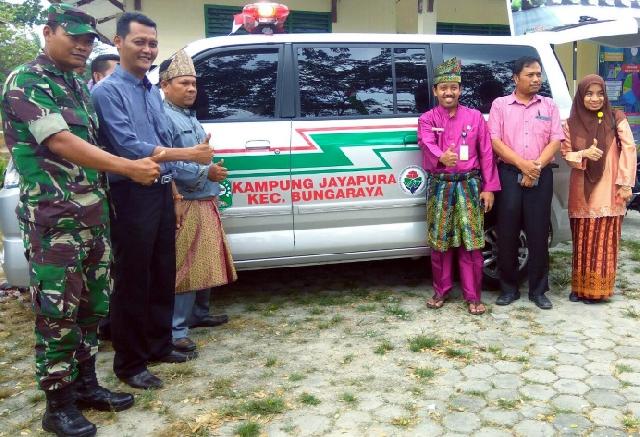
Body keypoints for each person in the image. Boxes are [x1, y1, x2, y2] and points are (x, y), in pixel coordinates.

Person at [0, 4, 162, 436]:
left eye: (89, 40)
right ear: (48, 31)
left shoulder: (74, 84)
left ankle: (87, 385)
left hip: (93, 217)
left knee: (92, 308)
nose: (83, 46)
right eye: (74, 37)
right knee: (58, 315)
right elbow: (61, 141)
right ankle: (58, 405)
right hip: (55, 223)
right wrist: (128, 167)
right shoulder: (27, 81)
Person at [92, 12, 214, 390]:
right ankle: (130, 364)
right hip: (130, 193)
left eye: (152, 43)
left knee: (163, 271)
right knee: (134, 278)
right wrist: (189, 155)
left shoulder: (149, 90)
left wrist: (173, 190)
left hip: (160, 190)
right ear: (118, 42)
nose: (147, 49)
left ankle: (160, 345)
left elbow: (162, 139)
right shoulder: (107, 92)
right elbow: (128, 146)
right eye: (139, 42)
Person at [159, 51, 237, 353]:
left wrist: (209, 170)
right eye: (184, 83)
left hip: (203, 197)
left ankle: (199, 314)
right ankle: (177, 329)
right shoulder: (164, 117)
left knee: (206, 259)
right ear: (165, 85)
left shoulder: (188, 115)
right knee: (187, 266)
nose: (191, 89)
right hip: (186, 200)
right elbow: (168, 163)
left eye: (193, 83)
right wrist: (207, 172)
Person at [418, 58, 500, 315]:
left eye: (453, 87)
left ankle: (473, 296)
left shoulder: (475, 117)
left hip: (469, 185)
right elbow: (425, 142)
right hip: (440, 186)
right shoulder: (427, 119)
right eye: (443, 88)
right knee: (440, 243)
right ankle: (441, 291)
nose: (449, 92)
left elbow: (486, 153)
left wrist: (489, 187)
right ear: (435, 91)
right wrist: (441, 156)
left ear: (460, 90)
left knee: (471, 243)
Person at [488, 56, 564, 310]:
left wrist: (536, 167)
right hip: (509, 174)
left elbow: (556, 140)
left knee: (539, 232)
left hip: (541, 174)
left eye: (538, 75)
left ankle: (539, 290)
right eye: (530, 75)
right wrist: (523, 165)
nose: (536, 79)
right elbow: (495, 141)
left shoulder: (549, 105)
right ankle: (508, 289)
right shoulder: (500, 105)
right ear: (515, 78)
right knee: (507, 232)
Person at [561, 74, 637, 303]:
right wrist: (583, 153)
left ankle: (598, 290)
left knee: (603, 241)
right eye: (589, 94)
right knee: (582, 241)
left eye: (600, 94)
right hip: (581, 192)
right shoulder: (570, 123)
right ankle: (579, 287)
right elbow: (566, 154)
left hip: (610, 190)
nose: (595, 99)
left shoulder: (616, 118)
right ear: (580, 96)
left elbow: (629, 149)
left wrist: (626, 183)